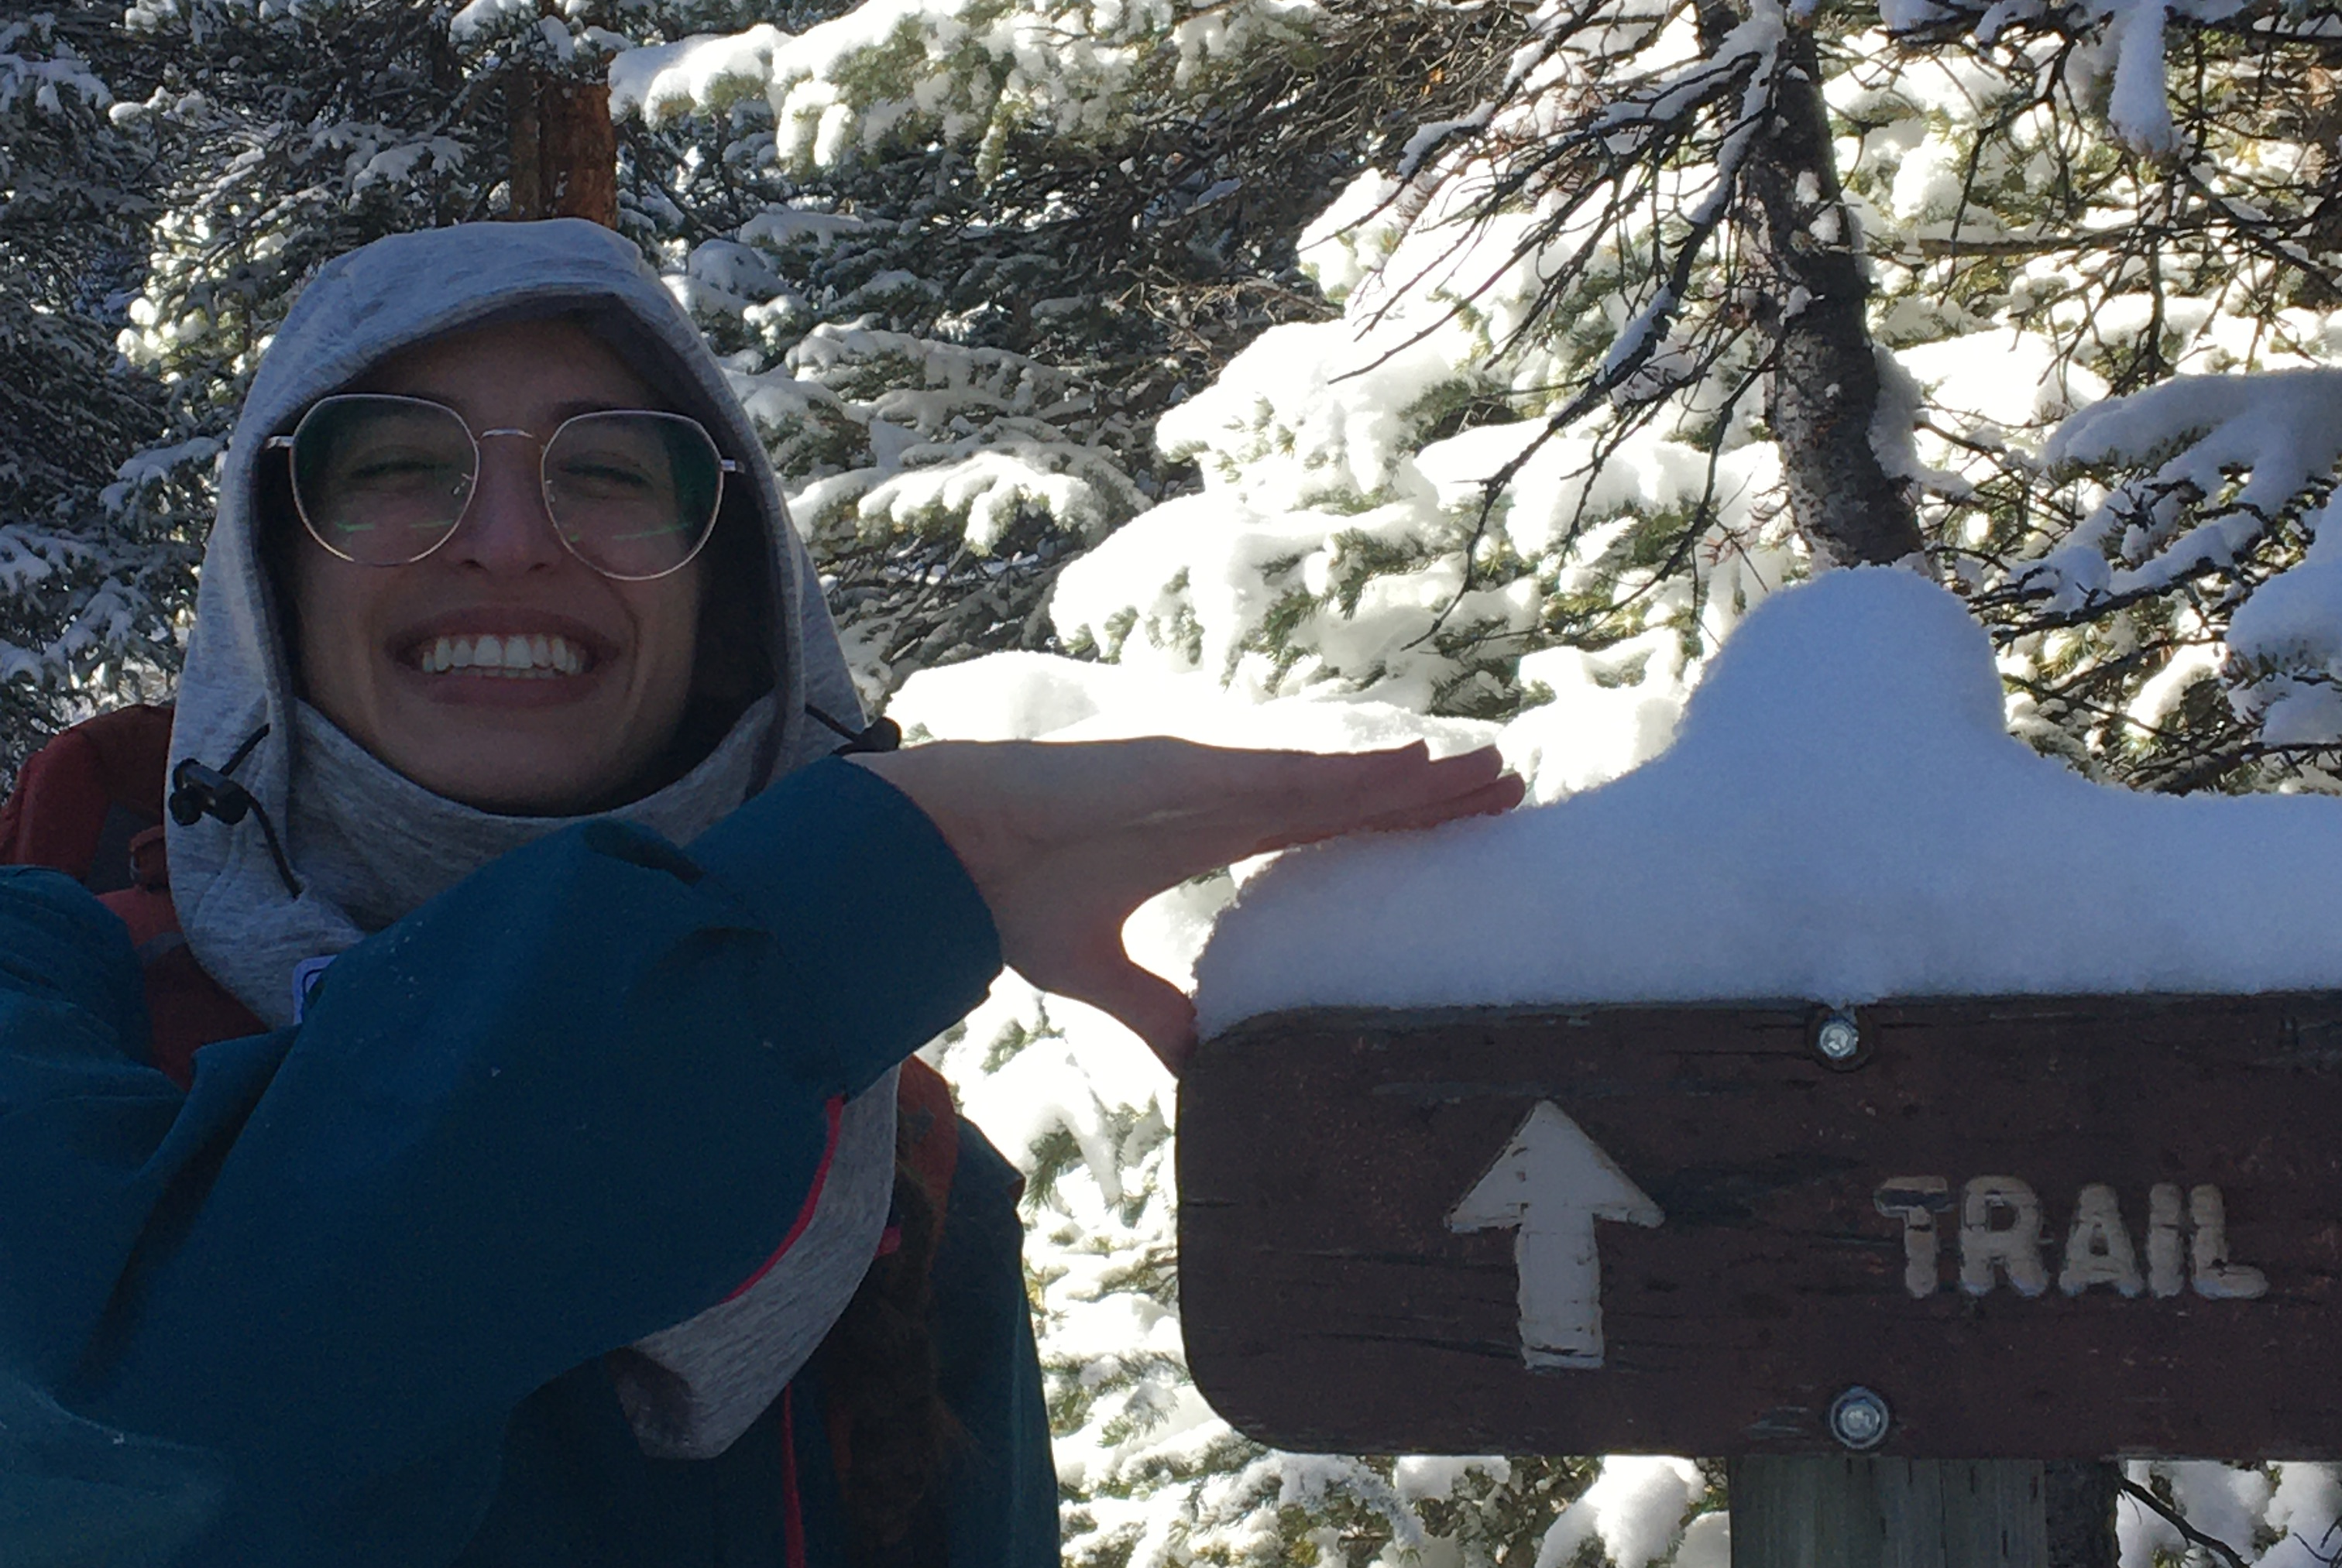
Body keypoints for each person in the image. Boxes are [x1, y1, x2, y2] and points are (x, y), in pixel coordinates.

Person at [0, 219, 1521, 1567]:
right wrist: (833, 904)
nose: (513, 542)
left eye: (606, 474)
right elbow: (141, 1441)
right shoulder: (46, 1008)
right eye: (398, 467)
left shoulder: (894, 1166)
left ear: (727, 597)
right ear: (267, 578)